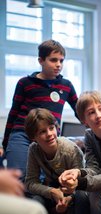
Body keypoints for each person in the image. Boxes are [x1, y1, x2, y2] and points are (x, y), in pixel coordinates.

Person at [2, 39, 78, 181]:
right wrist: (5, 145)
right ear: (41, 60)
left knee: (43, 182)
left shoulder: (66, 86)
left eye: (61, 61)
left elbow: (81, 111)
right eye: (53, 60)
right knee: (19, 178)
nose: (58, 65)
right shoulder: (25, 83)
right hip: (22, 135)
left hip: (49, 138)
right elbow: (13, 114)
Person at [24, 108, 85, 214]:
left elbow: (83, 183)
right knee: (36, 202)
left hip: (73, 192)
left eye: (51, 128)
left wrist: (69, 199)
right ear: (33, 137)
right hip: (51, 190)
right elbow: (30, 182)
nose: (50, 134)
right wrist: (51, 192)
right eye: (42, 132)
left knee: (73, 213)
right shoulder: (34, 150)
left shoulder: (70, 149)